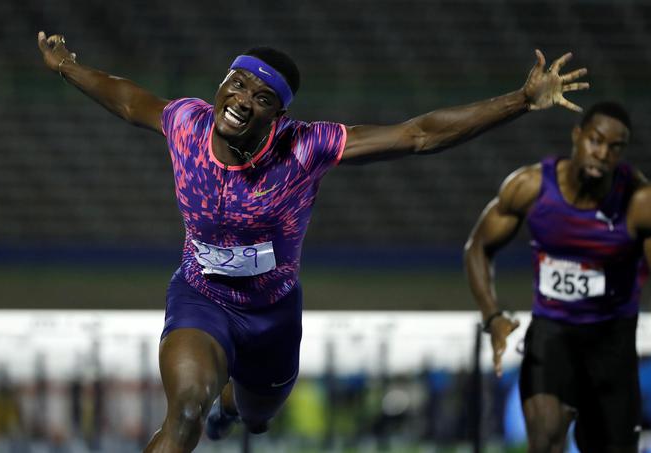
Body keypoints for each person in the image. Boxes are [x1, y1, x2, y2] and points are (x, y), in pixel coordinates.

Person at [37, 30, 588, 453]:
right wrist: (66, 66)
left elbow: (418, 135)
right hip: (201, 299)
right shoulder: (186, 123)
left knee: (255, 415)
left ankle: (232, 410)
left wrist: (520, 100)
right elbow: (129, 100)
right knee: (184, 414)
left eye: (261, 96)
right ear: (221, 84)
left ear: (279, 115)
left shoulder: (306, 148)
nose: (242, 99)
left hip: (272, 316)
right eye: (237, 82)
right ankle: (213, 405)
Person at [464, 101, 651, 453]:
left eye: (615, 148)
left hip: (612, 339)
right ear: (577, 136)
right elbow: (478, 246)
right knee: (545, 439)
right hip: (553, 333)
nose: (602, 154)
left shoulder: (638, 203)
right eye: (595, 141)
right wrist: (492, 316)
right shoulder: (530, 187)